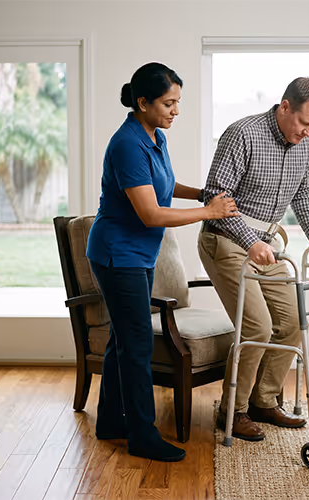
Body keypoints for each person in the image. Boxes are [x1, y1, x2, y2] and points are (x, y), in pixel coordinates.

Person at [86, 62, 238, 462]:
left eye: (178, 103)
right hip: (118, 255)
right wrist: (209, 213)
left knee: (122, 338)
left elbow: (166, 187)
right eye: (169, 103)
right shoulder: (127, 144)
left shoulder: (154, 136)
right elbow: (151, 213)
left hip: (138, 254)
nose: (175, 111)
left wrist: (203, 194)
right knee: (137, 345)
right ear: (143, 102)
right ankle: (142, 434)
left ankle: (111, 422)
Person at [198, 77, 309, 442]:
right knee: (257, 326)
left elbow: (302, 193)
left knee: (292, 322)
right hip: (225, 239)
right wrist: (248, 239)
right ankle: (233, 410)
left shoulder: (305, 145)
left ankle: (263, 401)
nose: (308, 132)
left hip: (267, 246)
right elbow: (215, 196)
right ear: (285, 106)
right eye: (304, 123)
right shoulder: (242, 134)